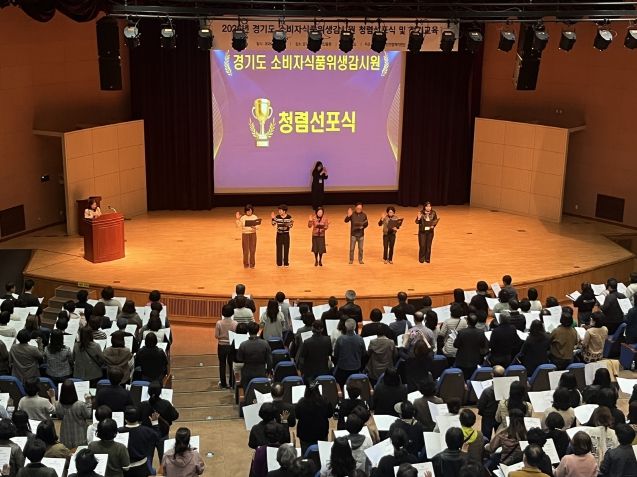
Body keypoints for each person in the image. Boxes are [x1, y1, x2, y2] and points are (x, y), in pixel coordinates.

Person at [139, 381, 179, 461]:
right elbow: (175, 416)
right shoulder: (166, 404)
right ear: (160, 392)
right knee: (164, 460)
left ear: (148, 392)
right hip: (162, 434)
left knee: (147, 460)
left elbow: (139, 418)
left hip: (148, 435)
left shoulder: (142, 405)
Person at [118, 405, 160, 477]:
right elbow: (157, 436)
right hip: (141, 468)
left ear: (125, 419)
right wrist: (155, 422)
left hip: (123, 468)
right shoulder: (147, 431)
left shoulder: (118, 431)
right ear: (138, 418)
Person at [295, 382, 333, 453]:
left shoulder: (301, 402)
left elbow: (297, 416)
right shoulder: (325, 401)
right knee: (323, 453)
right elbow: (330, 415)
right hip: (321, 434)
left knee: (305, 455)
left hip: (305, 436)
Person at [56, 378, 92, 448]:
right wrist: (88, 402)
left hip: (65, 440)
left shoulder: (58, 404)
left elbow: (59, 417)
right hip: (80, 439)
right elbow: (88, 415)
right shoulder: (80, 404)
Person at [237, 321, 272, 391]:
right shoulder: (265, 344)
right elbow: (269, 361)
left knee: (247, 393)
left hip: (247, 374)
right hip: (261, 373)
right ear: (258, 330)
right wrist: (269, 371)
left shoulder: (243, 345)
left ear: (248, 331)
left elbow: (239, 359)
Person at [453, 313, 489, 380]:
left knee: (461, 378)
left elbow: (455, 345)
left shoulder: (461, 332)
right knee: (472, 378)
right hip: (475, 360)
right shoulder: (481, 332)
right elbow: (482, 345)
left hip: (462, 360)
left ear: (467, 321)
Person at [333, 319, 366, 387]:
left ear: (345, 327)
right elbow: (364, 354)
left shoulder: (340, 339)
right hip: (356, 368)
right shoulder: (360, 339)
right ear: (355, 327)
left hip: (342, 368)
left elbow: (335, 354)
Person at [215, 304, 237, 389]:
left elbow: (216, 336)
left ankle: (223, 383)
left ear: (222, 313)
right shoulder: (235, 323)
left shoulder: (219, 323)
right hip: (231, 346)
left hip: (221, 346)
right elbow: (235, 335)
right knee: (231, 364)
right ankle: (231, 383)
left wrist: (222, 337)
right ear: (232, 313)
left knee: (222, 364)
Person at [235, 204, 259, 269]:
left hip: (253, 234)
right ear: (245, 211)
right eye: (247, 211)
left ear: (252, 210)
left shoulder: (255, 217)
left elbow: (258, 226)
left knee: (252, 250)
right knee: (245, 250)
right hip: (245, 234)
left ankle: (252, 265)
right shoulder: (243, 217)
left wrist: (255, 227)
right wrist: (237, 219)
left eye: (250, 211)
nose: (249, 212)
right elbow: (238, 226)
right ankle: (246, 264)